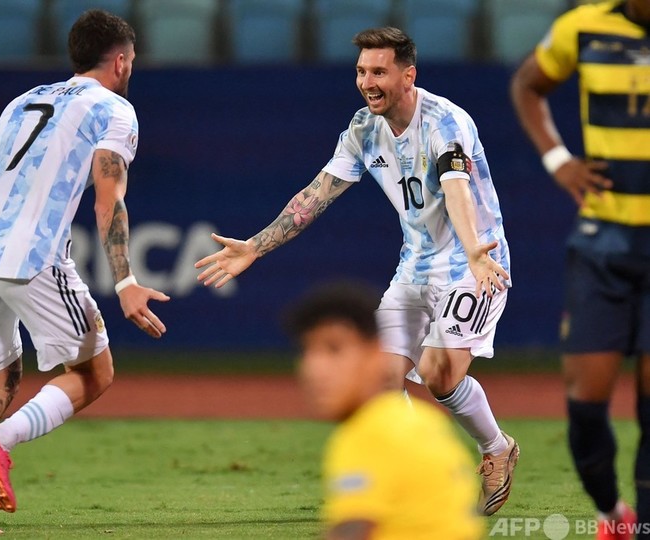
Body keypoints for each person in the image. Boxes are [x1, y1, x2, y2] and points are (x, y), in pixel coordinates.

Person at [196, 27, 519, 516]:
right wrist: (256, 247)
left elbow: (455, 188)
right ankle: (415, 469)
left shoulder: (445, 122)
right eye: (361, 72)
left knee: (439, 376)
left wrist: (475, 252)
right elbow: (316, 194)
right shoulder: (364, 129)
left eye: (379, 72)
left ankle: (497, 448)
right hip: (415, 267)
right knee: (378, 380)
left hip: (472, 266)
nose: (368, 82)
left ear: (408, 76)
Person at [0, 10, 169, 535]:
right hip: (32, 255)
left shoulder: (22, 100)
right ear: (121, 61)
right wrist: (126, 282)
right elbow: (108, 200)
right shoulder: (115, 109)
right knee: (93, 372)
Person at [510, 1, 650, 538]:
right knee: (586, 407)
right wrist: (558, 160)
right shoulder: (584, 27)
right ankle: (612, 512)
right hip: (603, 245)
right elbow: (528, 85)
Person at [285, 281, 483, 540]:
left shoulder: (370, 434)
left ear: (377, 354)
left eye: (334, 349)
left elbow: (352, 532)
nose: (315, 369)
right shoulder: (423, 420)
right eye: (307, 350)